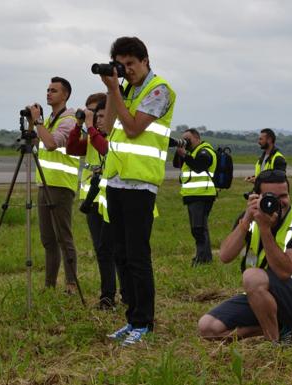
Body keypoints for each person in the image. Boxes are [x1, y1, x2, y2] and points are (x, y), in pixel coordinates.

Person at [98, 36, 176, 346]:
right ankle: (131, 319)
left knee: (138, 256)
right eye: (122, 64)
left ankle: (144, 322)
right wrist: (111, 89)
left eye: (131, 64)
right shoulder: (125, 90)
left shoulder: (159, 90)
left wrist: (116, 89)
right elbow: (106, 128)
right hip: (117, 180)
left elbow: (132, 128)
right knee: (121, 254)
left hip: (141, 184)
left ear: (145, 61)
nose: (126, 70)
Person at [198, 170, 292, 345]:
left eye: (284, 195)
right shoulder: (250, 219)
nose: (279, 202)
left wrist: (265, 229)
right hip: (262, 293)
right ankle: (280, 328)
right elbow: (225, 256)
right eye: (271, 196)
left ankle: (276, 344)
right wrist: (247, 219)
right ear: (256, 197)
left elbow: (284, 271)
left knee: (252, 277)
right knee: (208, 327)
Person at [66, 93, 123, 310]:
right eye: (91, 112)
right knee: (102, 250)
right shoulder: (91, 135)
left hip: (110, 199)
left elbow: (104, 148)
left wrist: (89, 126)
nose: (96, 118)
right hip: (92, 201)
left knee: (115, 250)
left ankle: (118, 294)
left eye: (99, 114)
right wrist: (78, 124)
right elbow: (72, 148)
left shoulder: (114, 136)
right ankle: (107, 296)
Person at [26, 77, 79, 294]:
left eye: (54, 90)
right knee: (48, 239)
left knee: (63, 237)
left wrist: (38, 123)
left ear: (65, 95)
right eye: (47, 90)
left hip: (61, 186)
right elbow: (34, 143)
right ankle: (49, 285)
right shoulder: (49, 120)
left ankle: (71, 285)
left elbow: (50, 144)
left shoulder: (69, 120)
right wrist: (32, 123)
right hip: (44, 184)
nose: (48, 93)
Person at [172, 128, 217, 266]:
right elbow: (175, 164)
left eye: (188, 139)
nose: (186, 142)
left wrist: (185, 155)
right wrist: (180, 150)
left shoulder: (205, 151)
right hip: (193, 195)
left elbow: (198, 166)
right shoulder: (191, 152)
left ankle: (202, 258)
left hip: (202, 195)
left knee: (198, 228)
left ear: (197, 138)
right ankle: (204, 257)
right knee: (199, 227)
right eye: (183, 139)